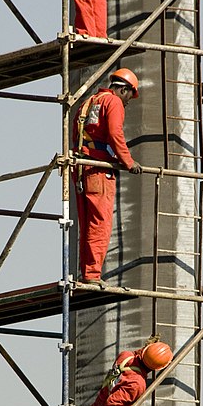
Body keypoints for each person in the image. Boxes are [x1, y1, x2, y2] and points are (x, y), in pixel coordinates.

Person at [73, 68, 142, 285]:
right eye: (129, 96)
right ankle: (92, 275)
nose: (128, 102)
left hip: (82, 167)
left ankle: (87, 273)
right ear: (124, 89)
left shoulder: (89, 102)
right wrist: (128, 162)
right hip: (99, 171)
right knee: (100, 223)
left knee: (86, 223)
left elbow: (77, 135)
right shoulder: (113, 103)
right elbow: (115, 134)